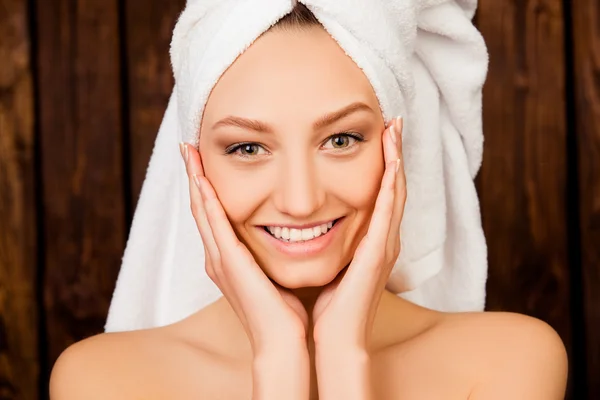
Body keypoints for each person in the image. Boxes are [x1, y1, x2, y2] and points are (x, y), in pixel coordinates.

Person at [49, 4, 568, 399]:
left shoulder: (508, 364)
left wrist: (344, 357)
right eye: (248, 148)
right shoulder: (103, 382)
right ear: (194, 163)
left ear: (397, 146)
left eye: (341, 140)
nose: (300, 202)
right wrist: (278, 361)